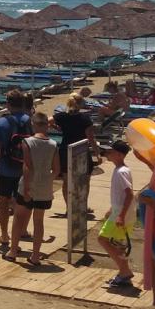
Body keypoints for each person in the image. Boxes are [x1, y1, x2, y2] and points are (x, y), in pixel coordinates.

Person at [7, 111, 59, 265]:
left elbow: (27, 166)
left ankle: (13, 250)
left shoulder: (28, 142)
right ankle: (35, 256)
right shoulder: (53, 144)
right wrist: (47, 180)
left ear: (33, 124)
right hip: (44, 187)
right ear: (46, 125)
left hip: (28, 185)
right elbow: (56, 170)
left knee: (18, 217)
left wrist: (28, 188)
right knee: (38, 221)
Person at [0, 89, 32, 254]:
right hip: (24, 169)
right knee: (22, 202)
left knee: (4, 201)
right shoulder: (29, 120)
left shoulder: (2, 122)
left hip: (6, 168)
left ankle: (5, 235)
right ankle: (21, 231)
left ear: (8, 104)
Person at [96, 140, 136, 290]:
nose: (107, 154)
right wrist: (112, 209)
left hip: (121, 214)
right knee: (117, 246)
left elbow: (129, 194)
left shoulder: (121, 172)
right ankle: (123, 274)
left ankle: (125, 272)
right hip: (119, 212)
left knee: (103, 239)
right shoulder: (121, 169)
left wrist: (120, 215)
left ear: (119, 154)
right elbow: (120, 195)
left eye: (110, 152)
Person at [51, 93, 99, 205]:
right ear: (81, 103)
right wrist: (97, 153)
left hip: (65, 150)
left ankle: (69, 208)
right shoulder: (85, 118)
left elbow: (47, 121)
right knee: (85, 180)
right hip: (81, 150)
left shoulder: (62, 116)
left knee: (67, 181)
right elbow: (90, 137)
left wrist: (58, 128)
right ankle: (82, 205)